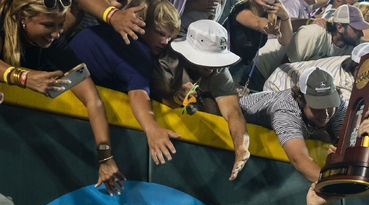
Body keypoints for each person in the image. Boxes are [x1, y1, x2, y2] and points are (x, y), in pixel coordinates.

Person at [0, 0, 126, 195]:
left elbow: (92, 99)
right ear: (22, 18)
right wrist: (24, 78)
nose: (57, 33)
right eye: (48, 25)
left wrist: (106, 157)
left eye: (60, 25)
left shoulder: (55, 44)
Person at [70, 0, 182, 166]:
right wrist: (152, 129)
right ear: (144, 25)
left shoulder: (115, 28)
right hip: (65, 86)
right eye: (160, 33)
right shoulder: (140, 52)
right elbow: (138, 93)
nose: (165, 42)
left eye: (169, 37)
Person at [150, 20, 250, 180]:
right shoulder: (166, 58)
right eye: (207, 61)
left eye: (216, 62)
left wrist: (241, 147)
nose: (212, 68)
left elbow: (233, 112)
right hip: (158, 127)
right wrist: (174, 96)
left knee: (211, 107)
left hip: (191, 130)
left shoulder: (219, 71)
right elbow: (154, 92)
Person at [239, 67, 346, 182]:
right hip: (235, 115)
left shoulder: (337, 102)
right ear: (301, 100)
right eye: (318, 106)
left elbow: (347, 143)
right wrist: (332, 184)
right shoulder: (286, 110)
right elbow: (299, 159)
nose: (326, 113)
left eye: (329, 104)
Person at [225, 0, 292, 86]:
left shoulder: (271, 13)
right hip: (228, 64)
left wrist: (285, 16)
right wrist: (268, 27)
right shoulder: (241, 7)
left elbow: (285, 40)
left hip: (247, 64)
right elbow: (258, 23)